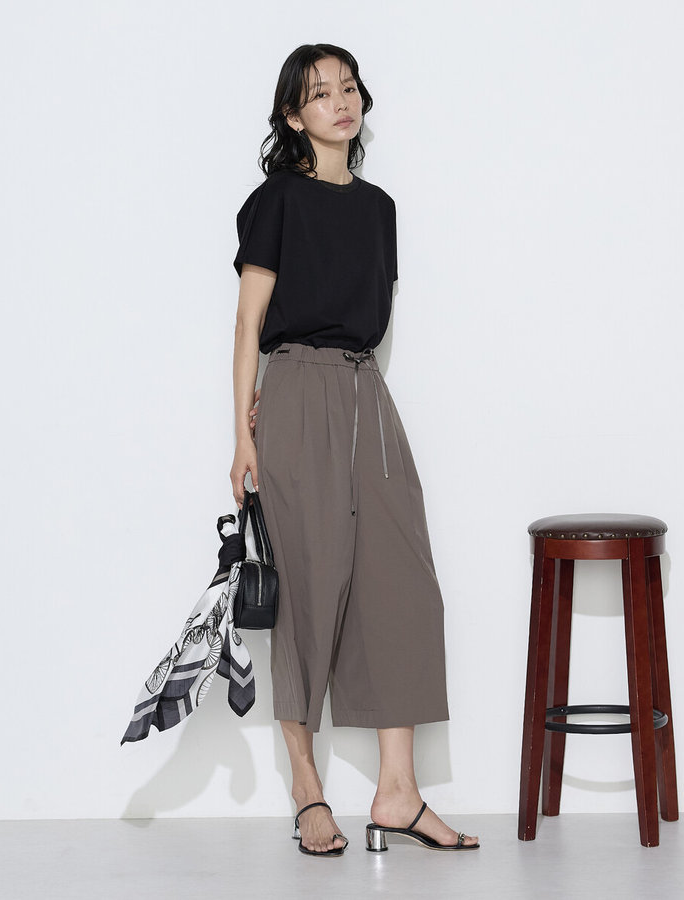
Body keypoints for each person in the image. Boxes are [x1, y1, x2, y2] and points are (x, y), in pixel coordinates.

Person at [229, 43, 478, 856]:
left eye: (348, 88)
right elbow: (248, 324)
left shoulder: (379, 209)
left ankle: (398, 793)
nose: (340, 102)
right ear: (293, 115)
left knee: (403, 585)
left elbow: (369, 311)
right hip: (297, 390)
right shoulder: (276, 201)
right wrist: (243, 435)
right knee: (309, 588)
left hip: (368, 392)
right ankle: (307, 789)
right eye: (319, 93)